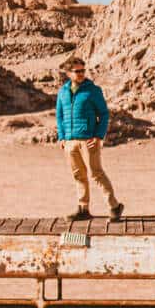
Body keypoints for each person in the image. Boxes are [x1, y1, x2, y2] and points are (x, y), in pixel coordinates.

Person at [56, 56, 124, 220]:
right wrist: (62, 137)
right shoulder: (63, 92)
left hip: (88, 140)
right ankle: (83, 209)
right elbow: (60, 116)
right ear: (68, 73)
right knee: (78, 175)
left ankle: (114, 206)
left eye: (82, 71)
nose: (81, 74)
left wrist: (99, 137)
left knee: (96, 174)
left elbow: (104, 114)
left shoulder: (93, 90)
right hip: (70, 141)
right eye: (77, 71)